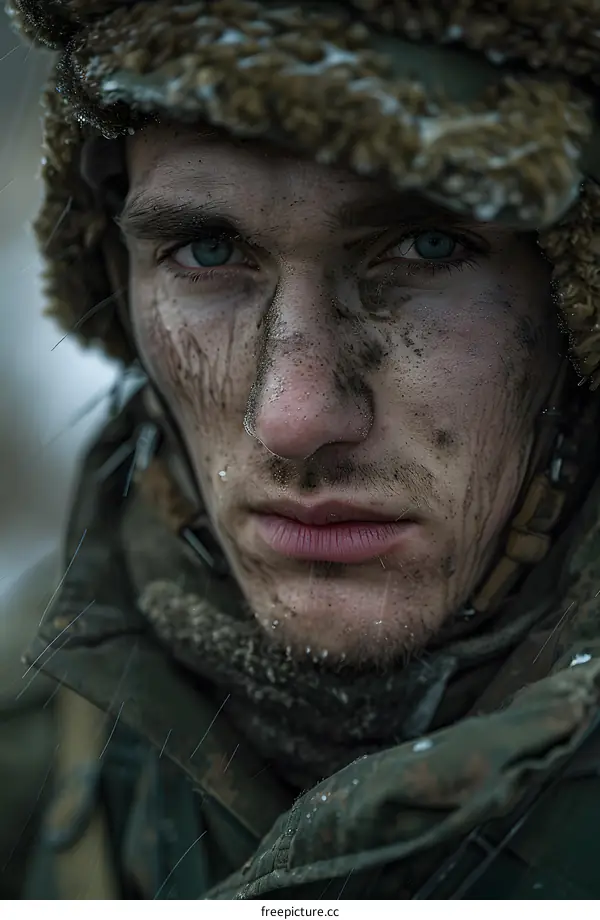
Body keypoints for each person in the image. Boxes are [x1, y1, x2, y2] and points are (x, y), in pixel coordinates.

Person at [6, 0, 600, 899]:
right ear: (122, 288)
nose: (295, 416)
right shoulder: (28, 753)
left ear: (574, 302)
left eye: (427, 246)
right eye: (208, 252)